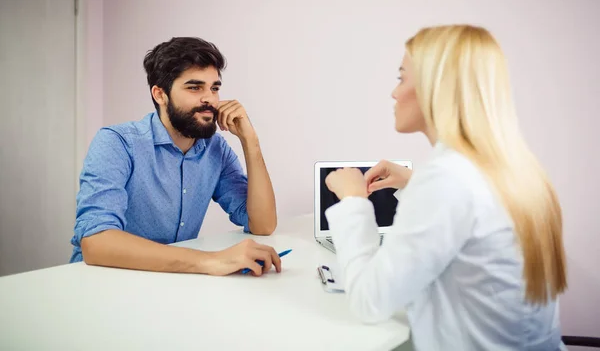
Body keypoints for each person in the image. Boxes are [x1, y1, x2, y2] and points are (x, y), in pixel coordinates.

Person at [324, 25, 567, 350]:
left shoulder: (447, 180)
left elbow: (370, 301)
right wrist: (414, 184)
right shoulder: (513, 168)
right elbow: (474, 219)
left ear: (433, 89)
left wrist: (353, 201)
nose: (394, 93)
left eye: (401, 78)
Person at [69, 37, 281, 277]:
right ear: (160, 94)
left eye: (214, 88)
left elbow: (262, 225)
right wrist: (211, 261)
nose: (210, 99)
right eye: (194, 87)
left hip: (171, 282)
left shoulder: (214, 149)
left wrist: (249, 141)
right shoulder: (117, 143)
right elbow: (96, 242)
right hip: (99, 281)